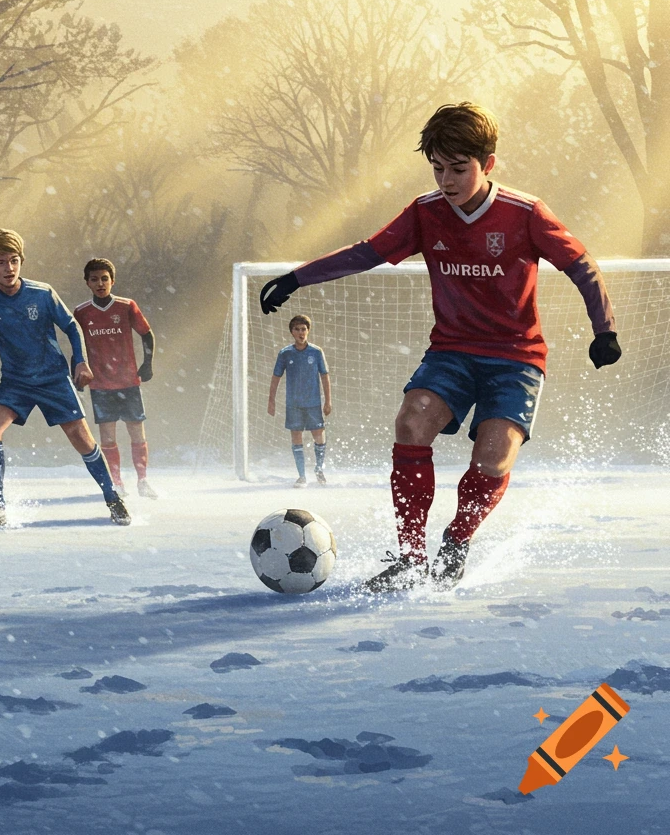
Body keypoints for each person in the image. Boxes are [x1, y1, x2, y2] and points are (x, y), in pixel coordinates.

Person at [259, 102, 621, 592]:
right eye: (437, 168)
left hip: (516, 357)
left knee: (494, 458)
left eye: (458, 168)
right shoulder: (425, 213)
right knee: (411, 420)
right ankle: (410, 557)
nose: (446, 180)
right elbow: (368, 252)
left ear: (487, 164)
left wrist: (605, 330)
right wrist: (297, 278)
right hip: (451, 351)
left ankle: (456, 538)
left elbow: (582, 265)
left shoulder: (526, 214)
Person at [0, 229, 130, 527]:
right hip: (15, 382)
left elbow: (72, 326)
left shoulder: (42, 292)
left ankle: (112, 498)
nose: (9, 268)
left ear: (21, 261)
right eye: (0, 262)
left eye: (14, 261)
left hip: (53, 379)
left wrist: (80, 362)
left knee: (82, 439)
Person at [74, 257, 158, 499]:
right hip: (99, 383)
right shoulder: (81, 312)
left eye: (104, 278)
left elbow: (147, 333)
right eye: (94, 279)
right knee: (108, 436)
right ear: (87, 282)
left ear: (112, 280)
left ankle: (143, 481)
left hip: (128, 381)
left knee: (136, 432)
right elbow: (74, 342)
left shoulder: (126, 306)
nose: (100, 283)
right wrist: (77, 370)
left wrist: (147, 363)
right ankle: (117, 483)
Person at [267, 314, 332, 488]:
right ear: (292, 332)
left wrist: (328, 401)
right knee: (296, 437)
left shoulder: (316, 352)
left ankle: (319, 469)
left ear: (308, 331)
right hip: (294, 404)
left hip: (313, 403)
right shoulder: (285, 353)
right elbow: (276, 377)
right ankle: (301, 476)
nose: (301, 332)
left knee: (319, 435)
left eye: (303, 329)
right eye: (297, 329)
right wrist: (271, 400)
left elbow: (325, 376)